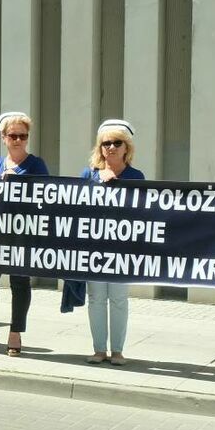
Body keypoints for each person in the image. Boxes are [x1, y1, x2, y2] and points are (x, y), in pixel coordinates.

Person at [0, 111, 50, 356]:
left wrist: (20, 183)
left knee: (20, 283)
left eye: (23, 136)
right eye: (13, 135)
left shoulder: (36, 165)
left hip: (22, 236)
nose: (18, 140)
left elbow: (46, 197)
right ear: (3, 137)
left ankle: (15, 333)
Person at [80, 120, 145, 365]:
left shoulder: (136, 176)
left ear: (126, 147)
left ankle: (117, 350)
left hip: (122, 249)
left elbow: (138, 211)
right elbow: (78, 207)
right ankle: (99, 350)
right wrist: (99, 181)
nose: (111, 147)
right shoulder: (89, 174)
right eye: (106, 143)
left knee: (118, 299)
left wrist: (115, 183)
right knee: (96, 298)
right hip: (94, 249)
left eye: (117, 142)